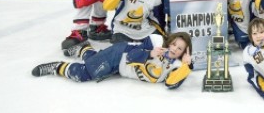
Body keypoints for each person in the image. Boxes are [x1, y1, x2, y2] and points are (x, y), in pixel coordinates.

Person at [32, 32, 193, 89]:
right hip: (119, 56)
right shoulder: (156, 42)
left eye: (179, 49)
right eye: (174, 44)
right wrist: (149, 53)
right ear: (170, 41)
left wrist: (187, 66)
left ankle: (83, 49)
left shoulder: (177, 67)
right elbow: (131, 55)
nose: (174, 49)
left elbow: (171, 83)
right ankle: (57, 67)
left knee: (94, 61)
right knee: (85, 73)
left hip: (120, 69)